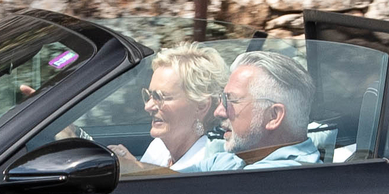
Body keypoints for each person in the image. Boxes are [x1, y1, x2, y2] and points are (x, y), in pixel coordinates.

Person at [118, 44, 230, 175]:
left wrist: (134, 168)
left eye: (160, 97)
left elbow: (183, 187)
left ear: (201, 106)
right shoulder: (158, 147)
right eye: (149, 96)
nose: (148, 107)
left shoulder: (213, 162)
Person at [215, 49, 323, 170]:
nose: (219, 112)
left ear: (273, 116)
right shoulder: (239, 158)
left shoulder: (278, 178)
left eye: (232, 100)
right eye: (223, 98)